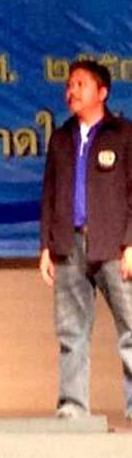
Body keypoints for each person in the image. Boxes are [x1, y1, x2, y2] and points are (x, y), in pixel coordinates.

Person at [39, 60, 132, 420]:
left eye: (81, 84)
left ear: (102, 92)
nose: (72, 91)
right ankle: (72, 406)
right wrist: (45, 246)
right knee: (71, 331)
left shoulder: (123, 134)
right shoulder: (61, 137)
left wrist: (130, 243)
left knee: (130, 329)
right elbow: (49, 195)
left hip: (113, 245)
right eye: (69, 85)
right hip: (68, 245)